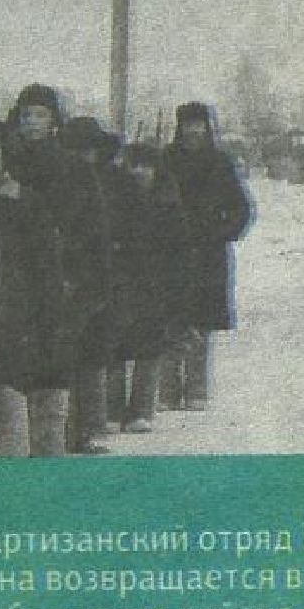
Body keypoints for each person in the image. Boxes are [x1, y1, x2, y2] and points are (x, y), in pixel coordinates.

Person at [4, 84, 109, 455]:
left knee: (58, 358)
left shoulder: (74, 169)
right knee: (17, 362)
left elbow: (95, 227)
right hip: (17, 276)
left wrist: (90, 280)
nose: (32, 122)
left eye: (40, 115)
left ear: (54, 122)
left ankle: (62, 442)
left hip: (64, 276)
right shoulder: (7, 163)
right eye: (26, 115)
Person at [0, 118, 69, 457]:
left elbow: (46, 265)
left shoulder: (26, 201)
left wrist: (44, 313)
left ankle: (15, 472)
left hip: (14, 312)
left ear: (6, 153)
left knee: (9, 392)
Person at [161, 101, 253, 411]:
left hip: (208, 254)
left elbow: (241, 209)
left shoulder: (220, 163)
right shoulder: (166, 160)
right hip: (171, 251)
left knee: (202, 320)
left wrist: (222, 232)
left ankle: (196, 389)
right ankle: (168, 389)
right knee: (170, 317)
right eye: (188, 124)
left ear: (207, 127)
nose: (194, 130)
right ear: (180, 128)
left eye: (199, 124)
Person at [108, 143, 192, 432]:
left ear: (157, 170)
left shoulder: (169, 204)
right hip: (121, 281)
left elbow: (181, 250)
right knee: (115, 345)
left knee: (149, 347)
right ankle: (113, 409)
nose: (139, 172)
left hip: (156, 283)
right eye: (133, 165)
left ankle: (141, 410)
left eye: (146, 166)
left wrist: (177, 286)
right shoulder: (114, 201)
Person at [60, 116, 124, 452]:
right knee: (70, 355)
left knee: (93, 354)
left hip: (101, 276)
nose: (82, 156)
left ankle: (89, 428)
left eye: (88, 150)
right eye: (74, 150)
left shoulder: (112, 180)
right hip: (70, 276)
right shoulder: (61, 182)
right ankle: (72, 431)